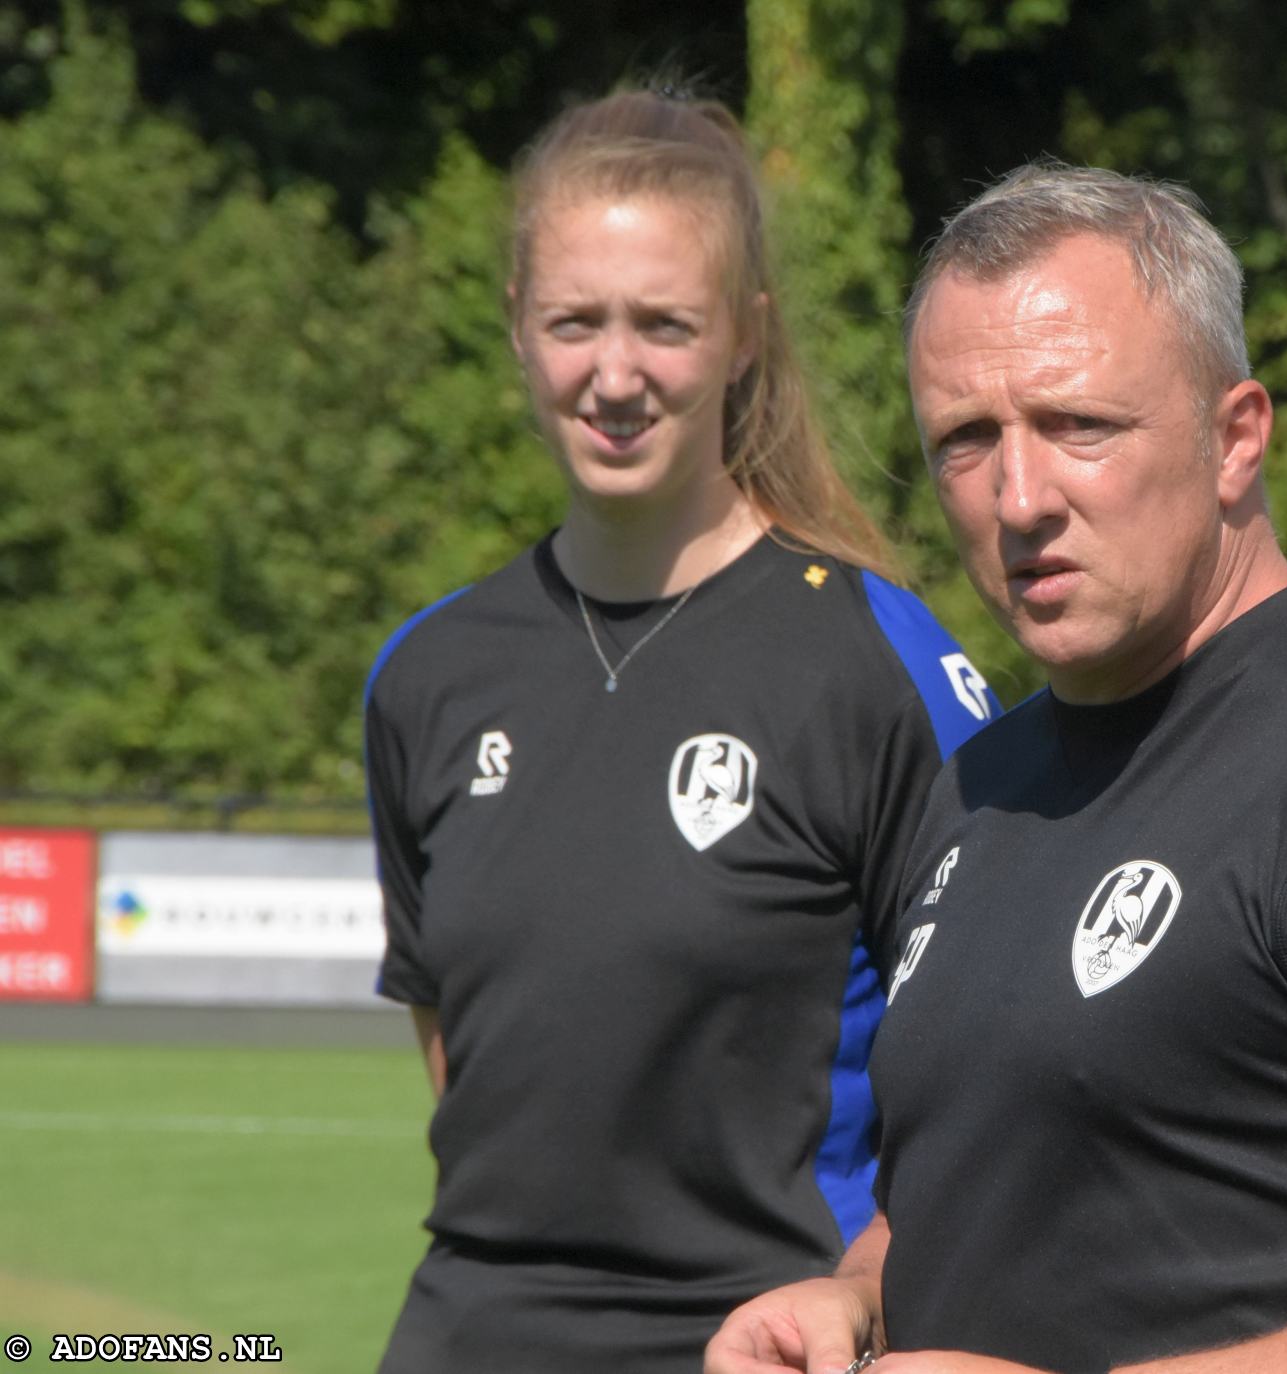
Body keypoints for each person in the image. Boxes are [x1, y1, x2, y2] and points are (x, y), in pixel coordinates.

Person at [708, 163, 1287, 1374]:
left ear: (1235, 437)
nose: (1019, 495)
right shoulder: (979, 780)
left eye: (1079, 426)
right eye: (967, 440)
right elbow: (993, 1192)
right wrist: (855, 1295)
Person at [363, 88, 998, 1373]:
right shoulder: (425, 675)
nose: (615, 375)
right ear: (517, 333)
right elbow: (463, 1065)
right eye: (573, 323)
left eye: (664, 325)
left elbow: (1000, 1065)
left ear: (744, 338)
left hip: (759, 1343)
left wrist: (867, 1301)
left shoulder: (876, 664)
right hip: (468, 1334)